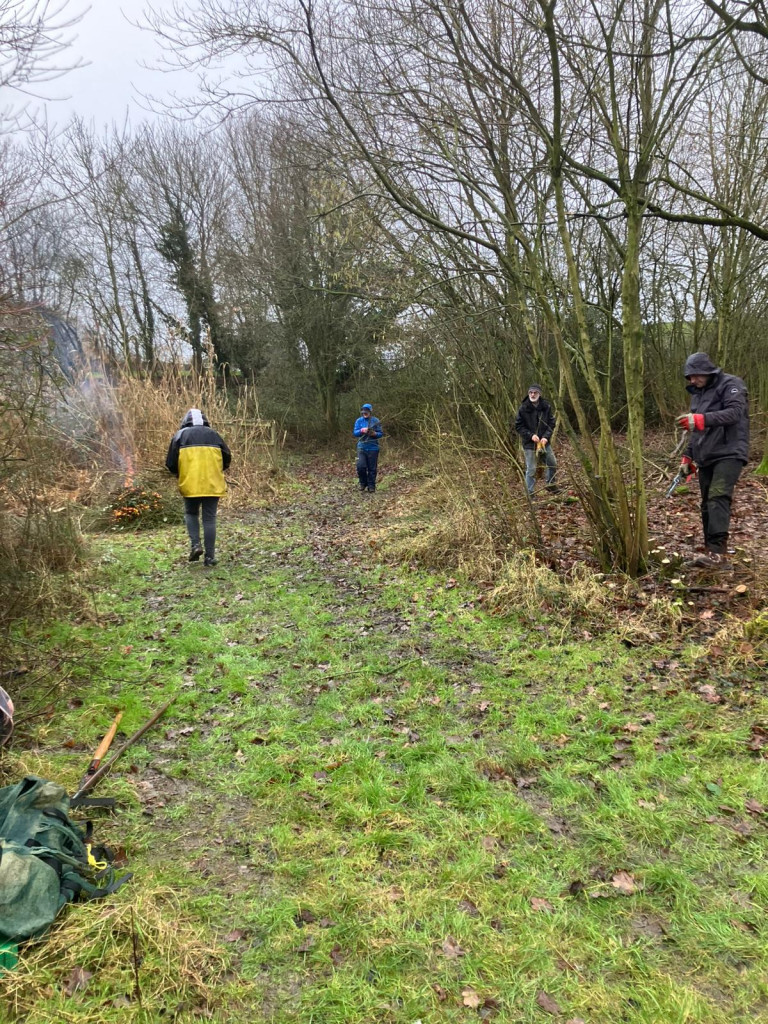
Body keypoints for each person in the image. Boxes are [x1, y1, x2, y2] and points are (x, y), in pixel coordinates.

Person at [677, 352, 749, 568]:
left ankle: (719, 556)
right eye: (689, 377)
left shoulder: (731, 384)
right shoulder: (697, 394)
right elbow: (697, 431)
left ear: (707, 370)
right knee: (707, 504)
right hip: (706, 455)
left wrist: (700, 419)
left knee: (718, 497)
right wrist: (688, 457)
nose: (692, 380)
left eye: (696, 375)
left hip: (730, 451)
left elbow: (735, 413)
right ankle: (711, 554)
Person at [166, 408, 231, 566]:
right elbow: (227, 458)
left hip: (190, 483)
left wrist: (179, 473)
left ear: (185, 421)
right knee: (209, 519)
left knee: (191, 513)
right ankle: (210, 557)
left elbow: (170, 463)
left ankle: (196, 545)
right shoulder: (214, 435)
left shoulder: (180, 436)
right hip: (212, 483)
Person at [514, 384, 557, 495]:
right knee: (531, 469)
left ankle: (550, 485)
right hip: (529, 444)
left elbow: (552, 423)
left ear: (539, 394)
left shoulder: (546, 406)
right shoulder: (523, 408)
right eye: (530, 392)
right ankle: (530, 494)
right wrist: (530, 435)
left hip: (544, 443)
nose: (532, 394)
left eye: (535, 392)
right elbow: (518, 426)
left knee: (552, 464)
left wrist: (546, 437)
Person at [353, 403, 383, 493]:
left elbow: (380, 433)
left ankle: (371, 486)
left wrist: (374, 434)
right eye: (363, 412)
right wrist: (362, 430)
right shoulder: (359, 421)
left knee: (372, 468)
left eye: (366, 412)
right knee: (360, 466)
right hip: (361, 447)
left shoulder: (376, 421)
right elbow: (355, 433)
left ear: (370, 411)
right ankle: (363, 483)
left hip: (373, 448)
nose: (364, 414)